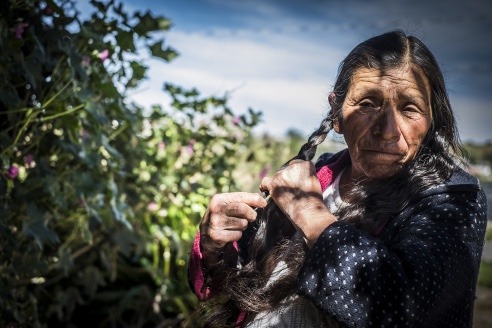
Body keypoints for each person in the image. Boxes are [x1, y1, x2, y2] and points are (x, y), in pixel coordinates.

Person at [188, 30, 488, 327]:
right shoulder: (317, 178)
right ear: (337, 113)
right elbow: (240, 280)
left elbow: (401, 309)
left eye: (410, 108)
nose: (387, 130)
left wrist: (310, 214)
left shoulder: (452, 199)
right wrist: (216, 246)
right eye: (368, 103)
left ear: (431, 121)